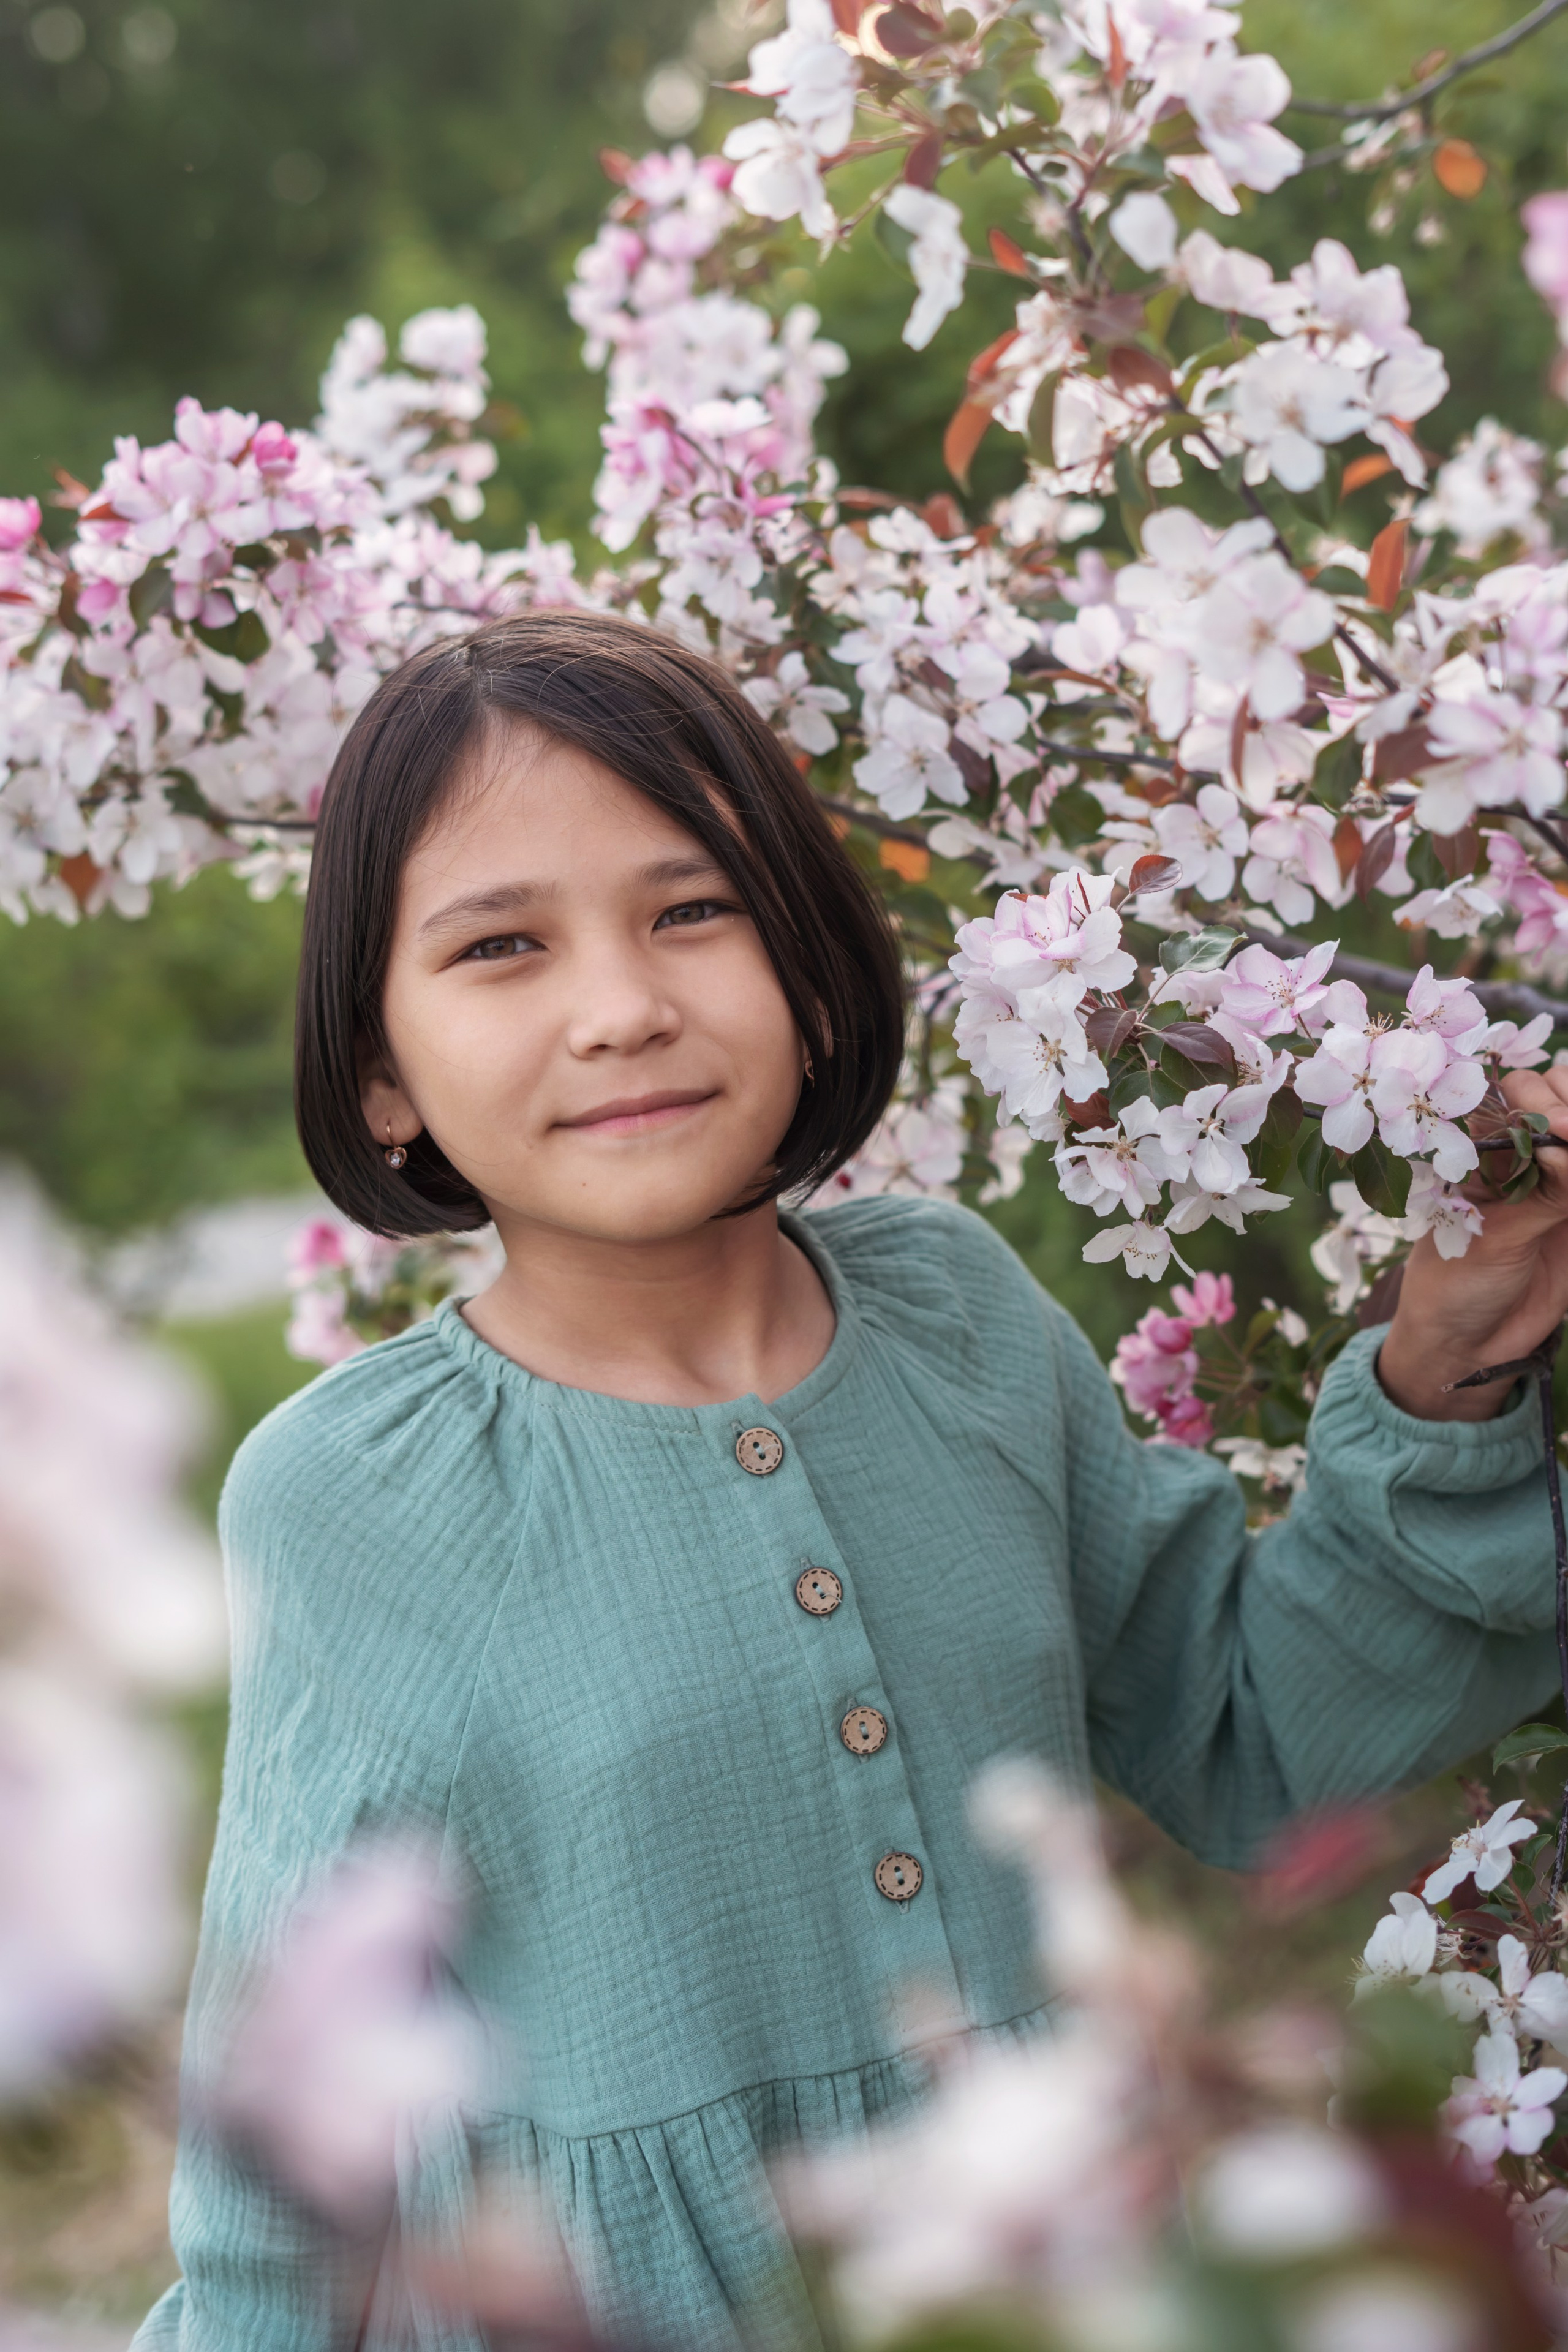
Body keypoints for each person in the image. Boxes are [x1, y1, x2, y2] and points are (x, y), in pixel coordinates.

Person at [137, 609, 1563, 2352]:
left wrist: (1450, 1368)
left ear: (809, 971)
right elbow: (289, 2118)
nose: (623, 1009)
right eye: (501, 947)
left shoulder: (958, 1312)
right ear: (379, 1079)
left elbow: (1254, 1739)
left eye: (692, 911)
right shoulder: (356, 1495)